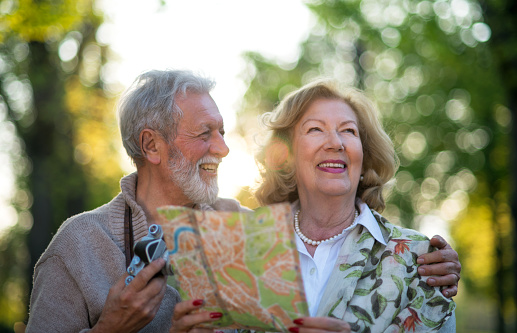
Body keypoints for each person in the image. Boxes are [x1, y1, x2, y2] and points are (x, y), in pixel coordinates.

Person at [26, 70, 459, 332]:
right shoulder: (80, 245)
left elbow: (328, 228)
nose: (223, 149)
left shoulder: (248, 230)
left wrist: (432, 261)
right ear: (151, 146)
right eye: (205, 134)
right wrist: (108, 331)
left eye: (223, 132)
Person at [251, 79, 457, 332]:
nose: (336, 142)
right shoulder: (245, 250)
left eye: (348, 131)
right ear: (286, 156)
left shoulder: (421, 260)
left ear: (364, 156)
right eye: (315, 129)